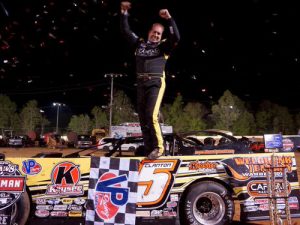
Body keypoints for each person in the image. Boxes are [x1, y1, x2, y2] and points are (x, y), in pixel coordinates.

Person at [120, 1, 180, 159]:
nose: (156, 35)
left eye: (159, 34)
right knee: (142, 116)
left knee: (151, 115)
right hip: (141, 83)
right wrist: (124, 14)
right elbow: (126, 31)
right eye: (154, 32)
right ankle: (148, 148)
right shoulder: (139, 44)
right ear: (149, 32)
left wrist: (169, 19)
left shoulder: (164, 47)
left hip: (156, 82)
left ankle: (160, 148)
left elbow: (176, 37)